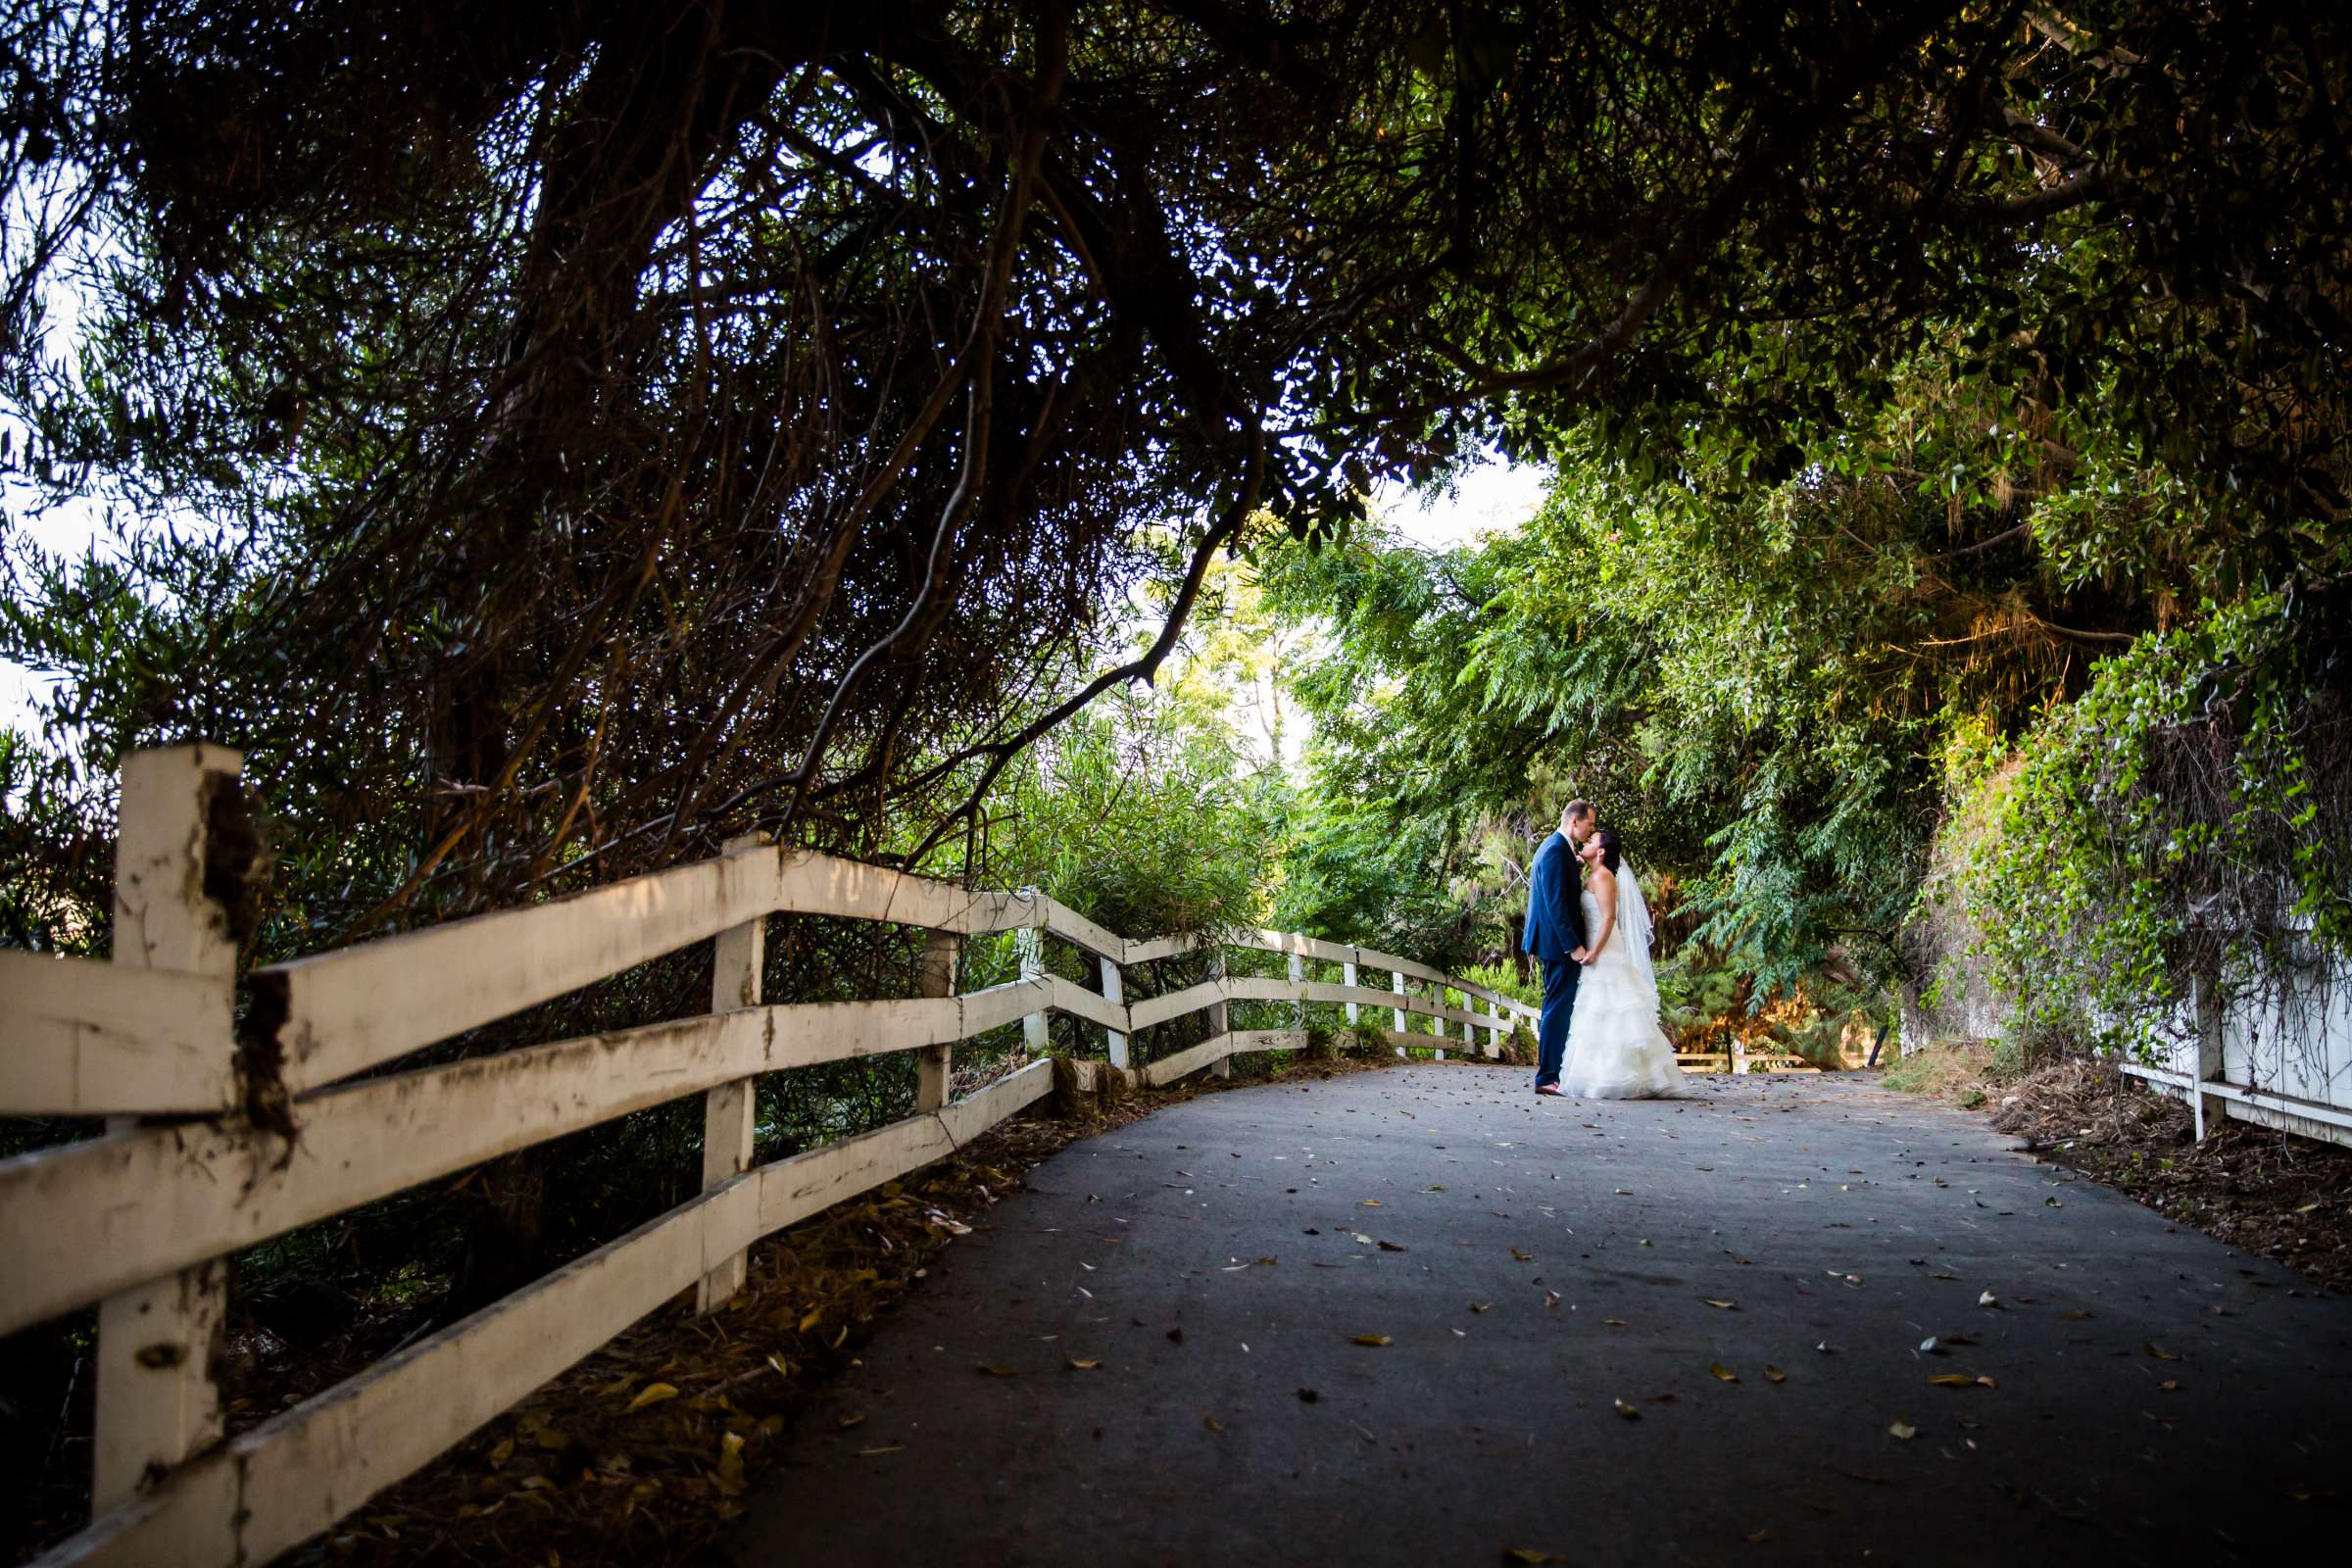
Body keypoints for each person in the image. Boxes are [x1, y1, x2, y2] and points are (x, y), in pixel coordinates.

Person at [1556, 828, 1683, 1099]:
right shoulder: (1593, 874)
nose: (1586, 841)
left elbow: (1609, 918)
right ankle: (1601, 1074)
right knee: (1598, 1010)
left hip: (1605, 948)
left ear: (1601, 851)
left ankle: (1627, 1076)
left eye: (1591, 841)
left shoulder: (1603, 877)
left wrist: (1594, 952)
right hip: (1595, 945)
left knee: (1614, 1008)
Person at [1521, 799, 1594, 1096]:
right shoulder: (1554, 850)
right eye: (1589, 824)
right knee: (1557, 1007)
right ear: (1574, 821)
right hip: (1556, 944)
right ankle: (1547, 1076)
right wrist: (1573, 947)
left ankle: (1553, 1073)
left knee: (1558, 1005)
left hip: (1553, 942)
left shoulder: (1559, 849)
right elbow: (1555, 905)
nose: (1591, 831)